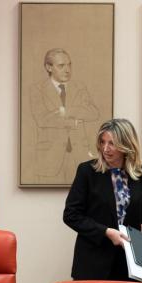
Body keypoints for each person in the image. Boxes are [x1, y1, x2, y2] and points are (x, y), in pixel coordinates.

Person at [63, 118, 142, 280]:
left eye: (112, 144)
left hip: (129, 264)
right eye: (102, 142)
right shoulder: (87, 171)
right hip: (93, 262)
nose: (105, 149)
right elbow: (71, 215)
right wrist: (106, 232)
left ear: (127, 145)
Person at [28, 48, 100, 184]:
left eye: (69, 65)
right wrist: (74, 122)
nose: (67, 70)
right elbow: (42, 119)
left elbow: (93, 113)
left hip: (80, 156)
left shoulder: (79, 87)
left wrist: (65, 111)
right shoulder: (37, 89)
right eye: (61, 66)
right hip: (50, 158)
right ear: (48, 67)